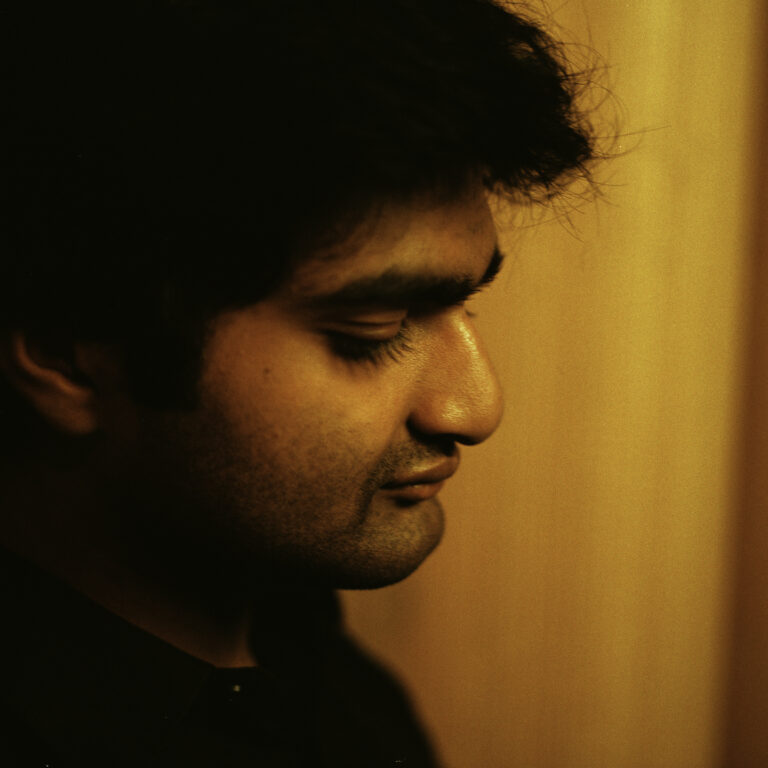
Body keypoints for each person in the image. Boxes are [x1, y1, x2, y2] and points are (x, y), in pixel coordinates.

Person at [0, 0, 594, 765]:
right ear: (68, 356)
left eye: (466, 303)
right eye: (371, 331)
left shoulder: (331, 682)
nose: (476, 408)